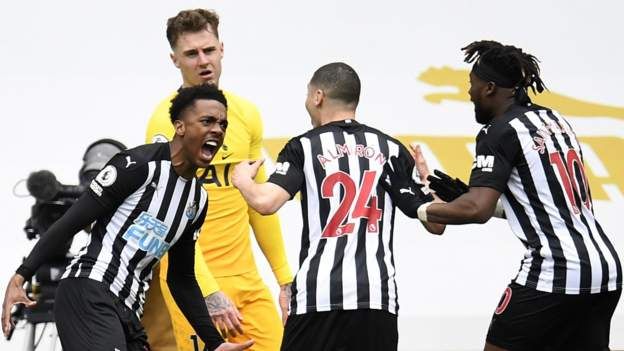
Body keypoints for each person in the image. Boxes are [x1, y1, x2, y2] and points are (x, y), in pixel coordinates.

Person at [385, 41, 622, 351]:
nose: (469, 92)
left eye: (472, 85)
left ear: (490, 88)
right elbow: (551, 201)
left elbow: (476, 210)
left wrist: (417, 206)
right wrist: (475, 197)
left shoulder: (499, 130)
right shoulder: (555, 120)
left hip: (556, 270)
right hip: (605, 270)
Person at [1, 84, 254, 351]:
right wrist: (21, 276)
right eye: (207, 121)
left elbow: (182, 279)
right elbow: (70, 223)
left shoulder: (197, 201)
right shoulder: (138, 165)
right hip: (89, 292)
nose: (217, 129)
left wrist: (214, 343)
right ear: (180, 127)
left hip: (129, 311)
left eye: (223, 124)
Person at [231, 62, 445, 351]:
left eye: (308, 95)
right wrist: (427, 180)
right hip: (376, 299)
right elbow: (437, 224)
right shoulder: (390, 149)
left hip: (318, 298)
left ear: (318, 96)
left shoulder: (303, 147)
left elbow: (265, 203)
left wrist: (242, 179)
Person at [142, 9, 292, 351]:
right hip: (192, 282)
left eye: (208, 50)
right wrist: (208, 292)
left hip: (247, 281)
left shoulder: (246, 114)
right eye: (191, 54)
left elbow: (259, 203)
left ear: (222, 49)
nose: (203, 61)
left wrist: (284, 279)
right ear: (174, 60)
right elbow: (163, 220)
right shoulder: (164, 123)